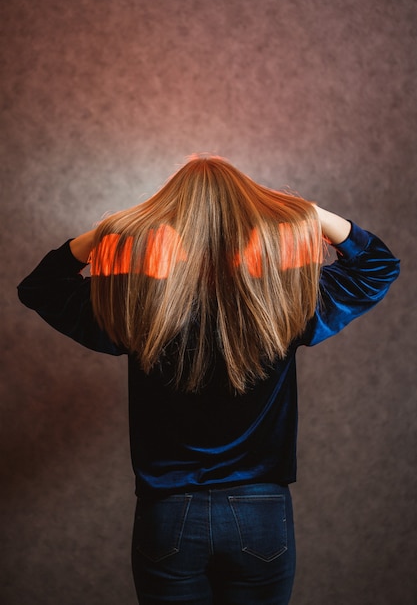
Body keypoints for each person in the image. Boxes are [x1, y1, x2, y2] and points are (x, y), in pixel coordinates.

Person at [17, 155, 400, 605]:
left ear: (169, 217)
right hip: (261, 513)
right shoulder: (285, 299)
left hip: (168, 514)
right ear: (249, 215)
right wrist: (309, 214)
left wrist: (108, 232)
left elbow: (41, 286)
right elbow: (377, 265)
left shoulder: (135, 302)